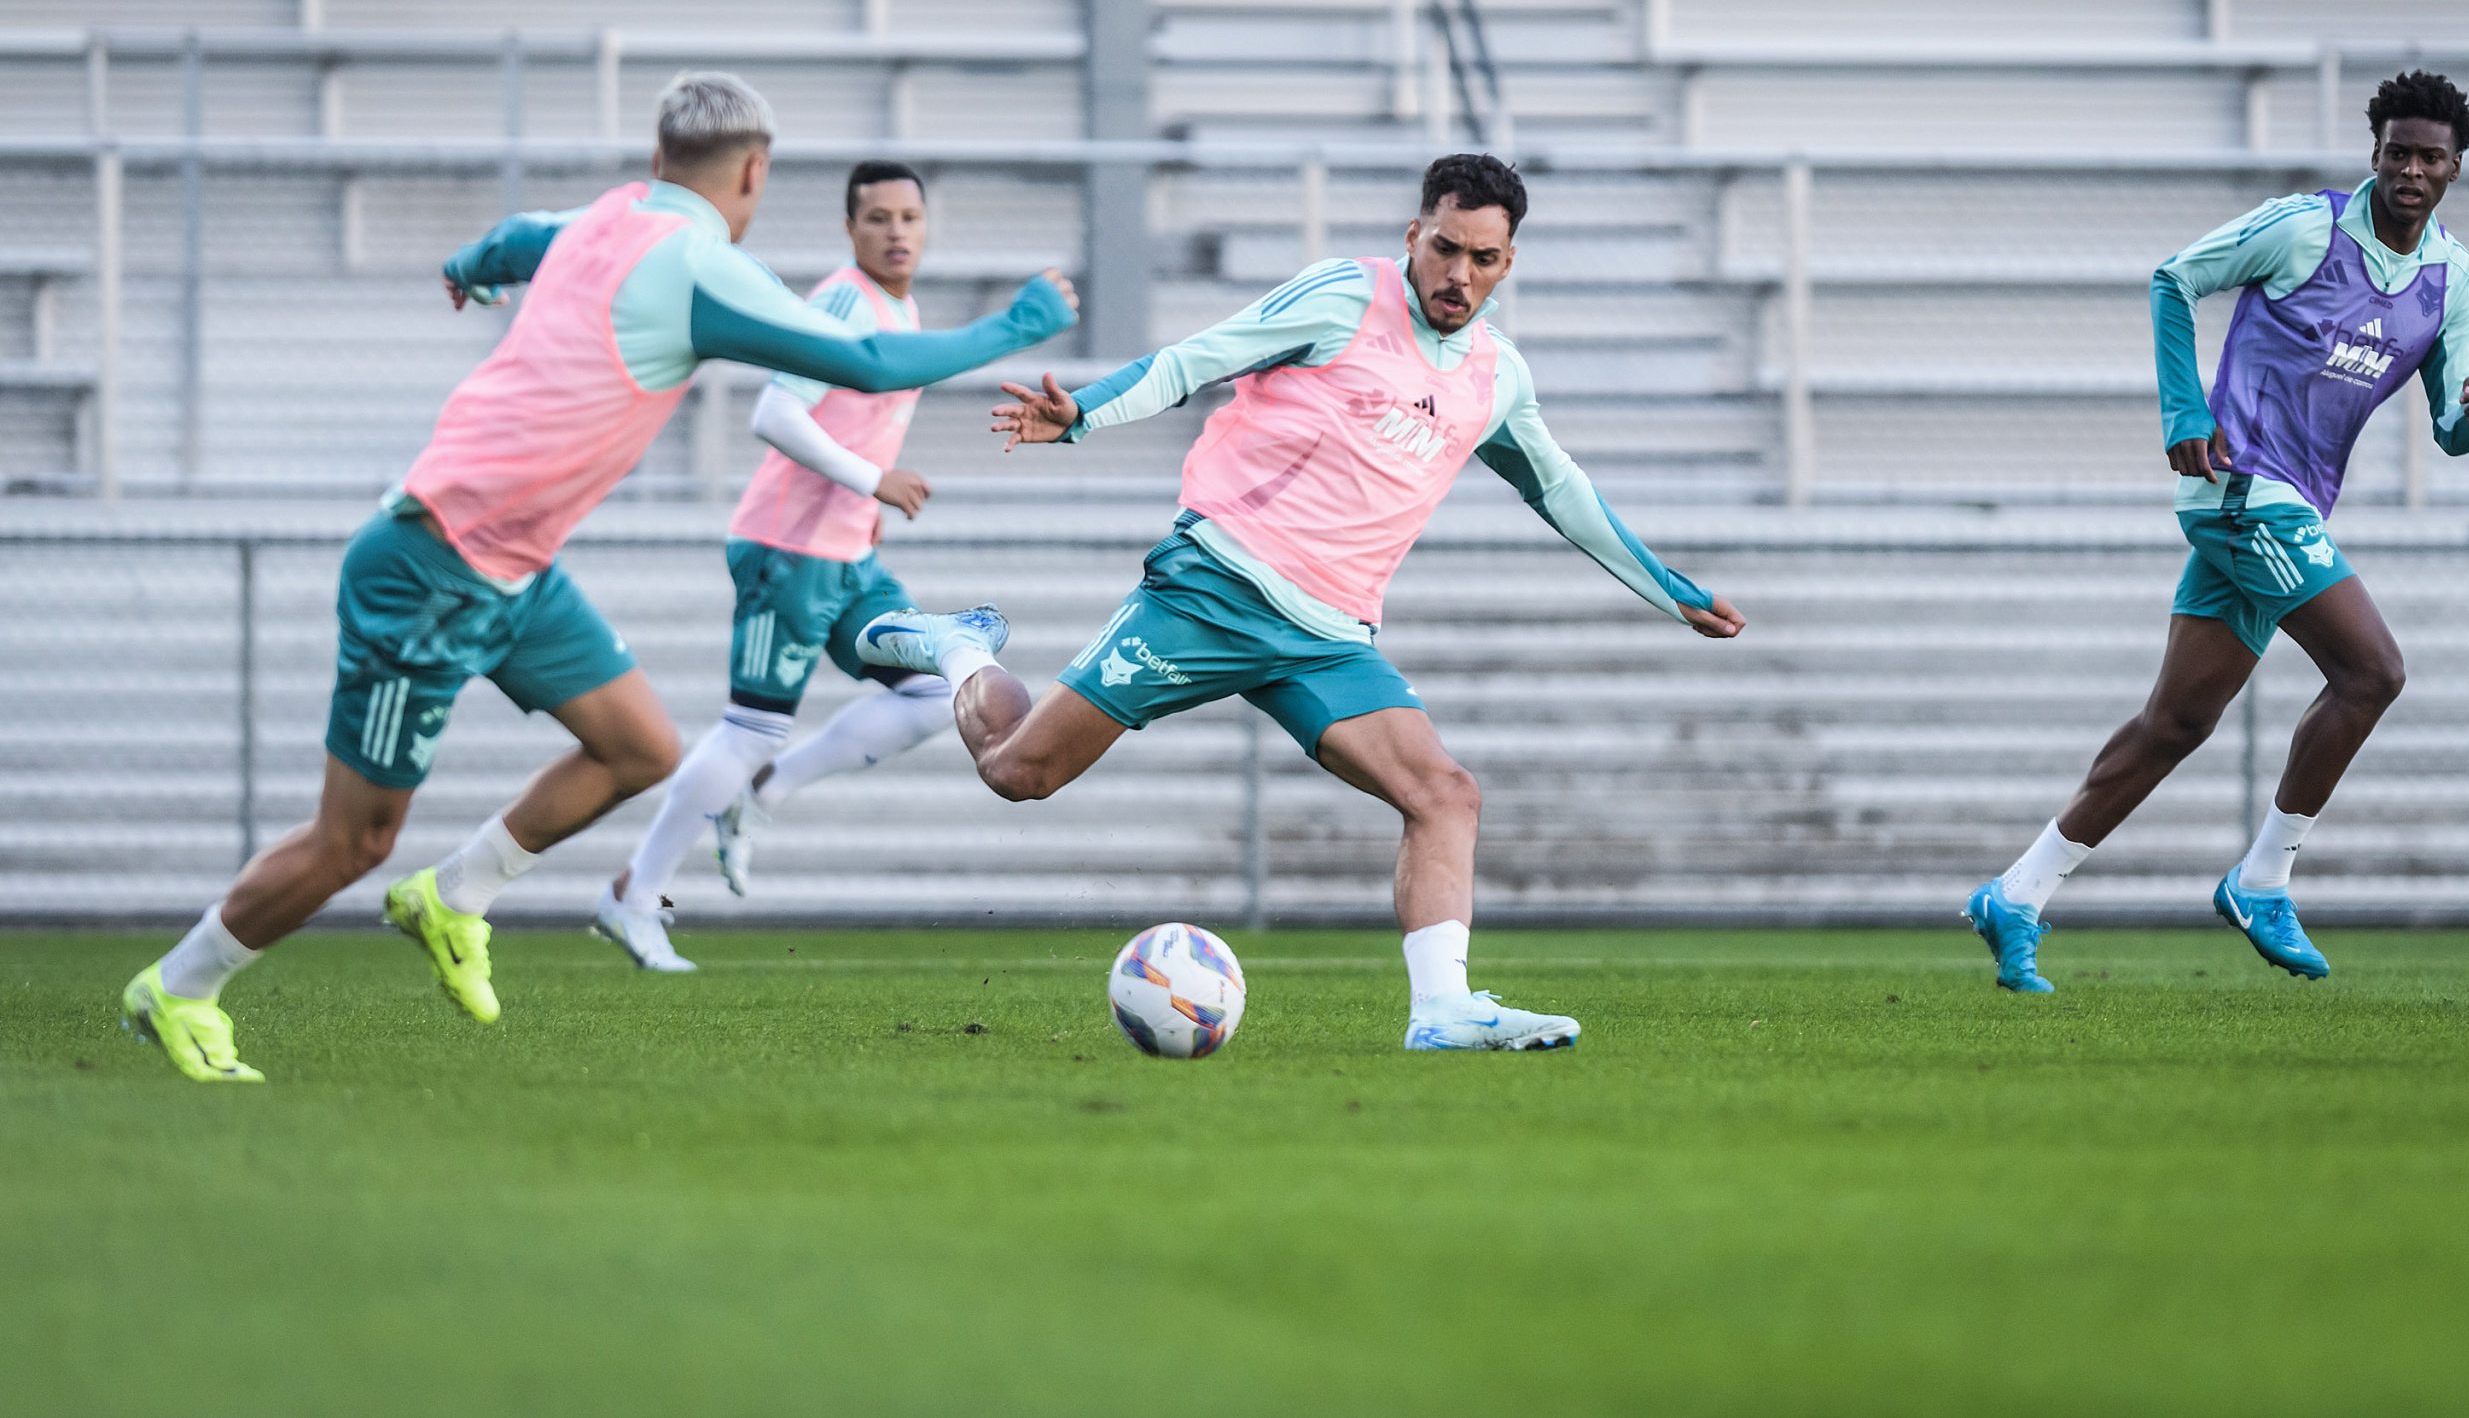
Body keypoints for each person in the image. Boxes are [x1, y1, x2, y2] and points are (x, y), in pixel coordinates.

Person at [121, 74, 1077, 1081]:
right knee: (353, 842)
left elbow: (521, 234)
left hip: (514, 573)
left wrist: (469, 265)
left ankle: (453, 896)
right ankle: (180, 986)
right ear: (755, 172)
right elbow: (873, 362)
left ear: (659, 155)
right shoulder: (700, 269)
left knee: (638, 748)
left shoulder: (608, 217)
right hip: (429, 568)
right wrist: (1016, 325)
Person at [855, 153, 1746, 1051]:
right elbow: (1194, 359)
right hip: (1214, 589)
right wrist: (1081, 411)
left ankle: (1442, 1010)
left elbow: (1562, 490)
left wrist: (1672, 593)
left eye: (1482, 257)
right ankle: (962, 647)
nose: (1458, 273)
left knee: (1446, 794)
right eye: (1445, 248)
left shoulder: (1495, 376)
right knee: (1020, 773)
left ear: (1507, 264)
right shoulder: (1342, 298)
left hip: (1328, 638)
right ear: (1414, 235)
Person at [1966, 71, 2469, 992]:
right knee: (2373, 671)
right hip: (2239, 485)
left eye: (2431, 157)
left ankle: (2015, 894)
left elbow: (2452, 420)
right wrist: (2183, 410)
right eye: (2397, 152)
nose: (2411, 169)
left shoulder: (2453, 280)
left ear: (2455, 169)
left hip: (2291, 506)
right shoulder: (2303, 228)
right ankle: (2263, 880)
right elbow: (2174, 279)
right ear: (2374, 154)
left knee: (2175, 722)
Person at [592, 161, 964, 971]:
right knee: (750, 726)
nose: (897, 230)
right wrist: (875, 482)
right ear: (850, 229)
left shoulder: (903, 309)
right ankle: (632, 896)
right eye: (878, 218)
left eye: (910, 216)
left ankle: (768, 791)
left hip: (849, 555)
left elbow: (856, 423)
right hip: (788, 552)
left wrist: (865, 506)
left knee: (940, 692)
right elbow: (774, 410)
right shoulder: (840, 301)